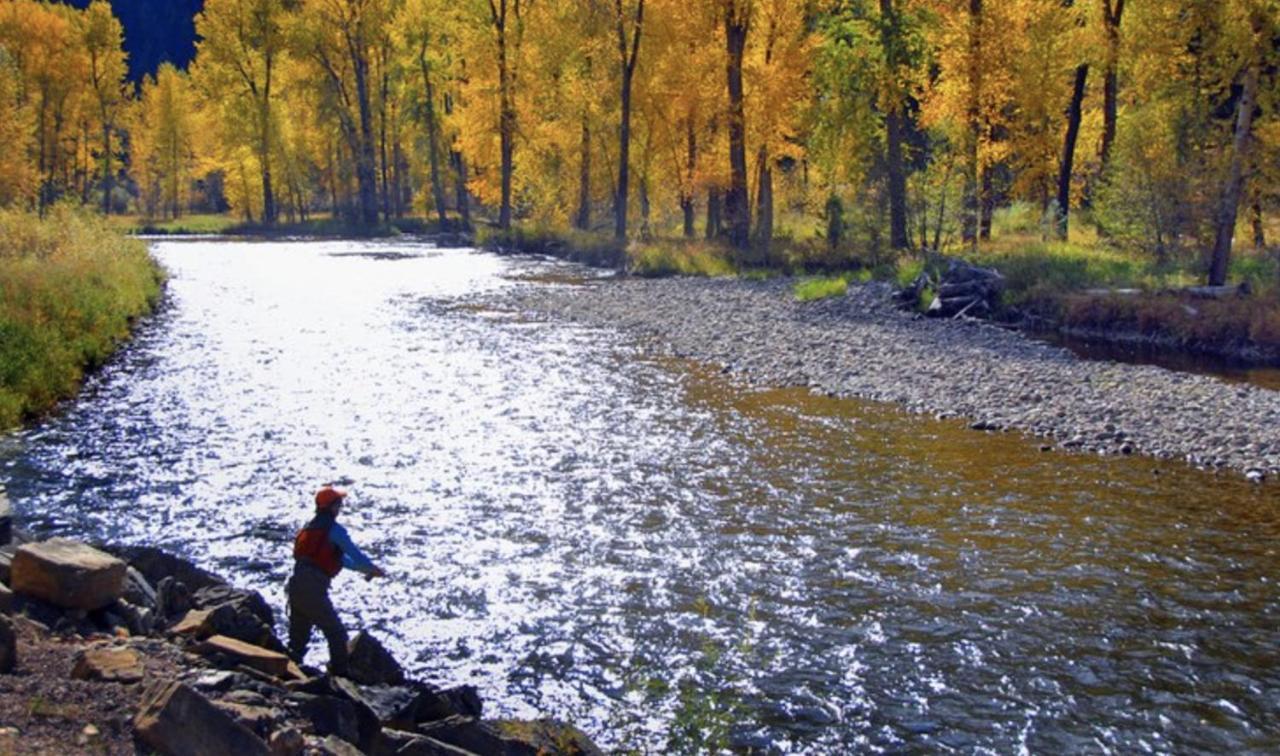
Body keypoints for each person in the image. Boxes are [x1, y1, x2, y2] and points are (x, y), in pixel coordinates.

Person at [287, 485, 386, 676]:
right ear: (332, 507)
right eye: (339, 504)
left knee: (297, 639)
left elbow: (341, 560)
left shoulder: (309, 529)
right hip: (313, 588)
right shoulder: (334, 530)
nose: (340, 507)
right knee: (337, 633)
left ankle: (287, 672)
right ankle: (340, 678)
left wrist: (366, 569)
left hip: (295, 586)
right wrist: (372, 569)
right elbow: (354, 555)